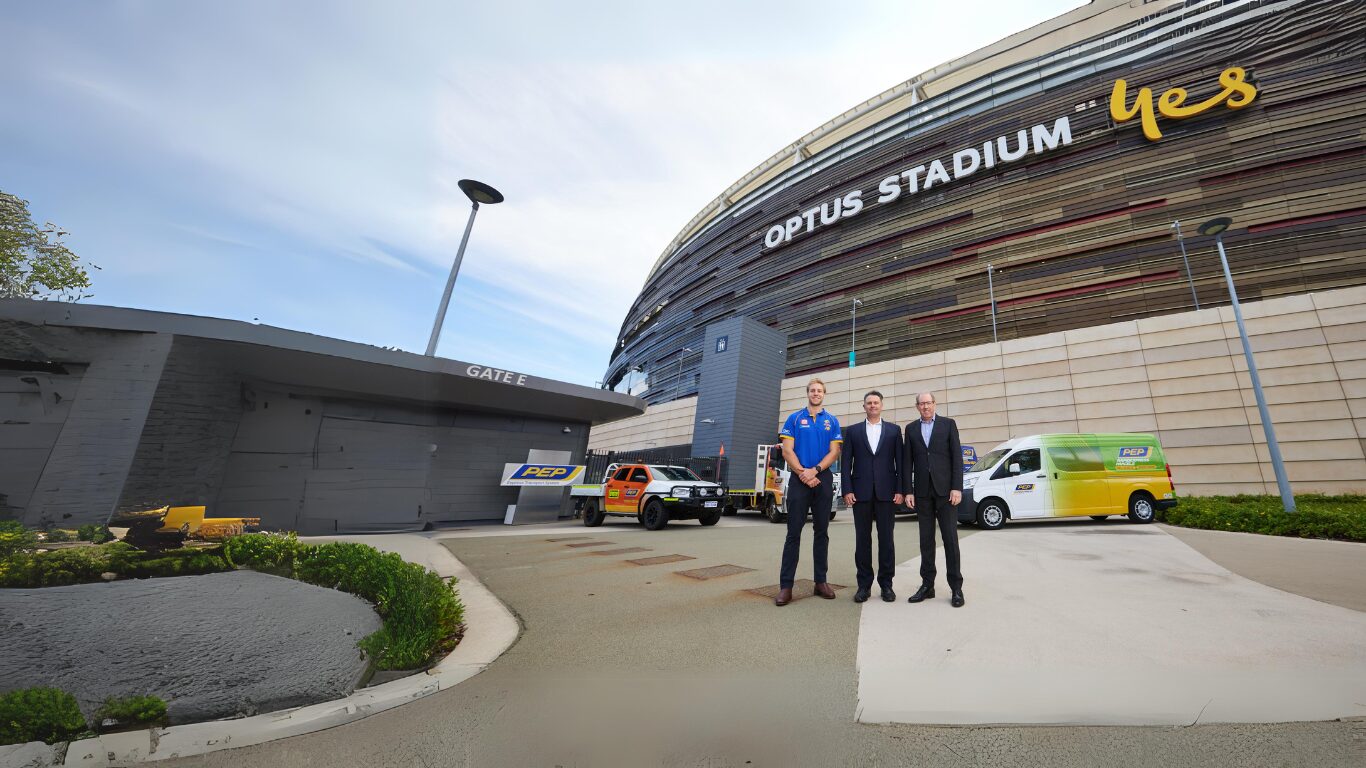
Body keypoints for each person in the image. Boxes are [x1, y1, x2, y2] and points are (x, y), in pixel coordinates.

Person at [775, 378, 842, 607]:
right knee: (793, 533)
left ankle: (820, 582)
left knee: (821, 532)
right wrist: (803, 472)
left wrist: (816, 470)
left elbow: (835, 452)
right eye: (812, 390)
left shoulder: (832, 421)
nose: (816, 393)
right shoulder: (794, 418)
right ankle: (786, 586)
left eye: (819, 391)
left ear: (824, 394)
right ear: (807, 393)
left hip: (821, 477)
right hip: (799, 477)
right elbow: (787, 450)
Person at [902, 392, 966, 607]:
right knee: (926, 541)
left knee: (950, 540)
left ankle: (956, 588)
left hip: (946, 493)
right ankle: (927, 585)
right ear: (917, 407)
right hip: (922, 494)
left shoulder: (949, 425)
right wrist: (908, 491)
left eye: (928, 403)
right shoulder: (910, 429)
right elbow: (906, 463)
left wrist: (957, 487)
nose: (925, 407)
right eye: (921, 404)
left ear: (934, 404)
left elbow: (957, 457)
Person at [841, 391, 903, 603]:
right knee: (862, 541)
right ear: (864, 406)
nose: (873, 405)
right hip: (861, 494)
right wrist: (847, 490)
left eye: (876, 402)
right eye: (869, 403)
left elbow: (900, 464)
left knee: (887, 541)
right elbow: (845, 462)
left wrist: (900, 490)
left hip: (887, 494)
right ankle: (863, 586)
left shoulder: (894, 431)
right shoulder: (853, 431)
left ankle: (886, 585)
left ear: (882, 405)